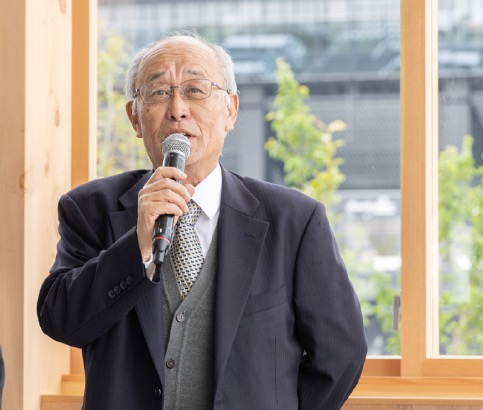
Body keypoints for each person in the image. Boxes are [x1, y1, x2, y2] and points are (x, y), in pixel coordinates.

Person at [37, 31, 367, 409]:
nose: (177, 108)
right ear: (134, 117)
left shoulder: (295, 219)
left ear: (231, 110)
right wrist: (138, 245)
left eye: (195, 90)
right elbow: (61, 322)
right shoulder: (89, 209)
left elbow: (340, 353)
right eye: (159, 92)